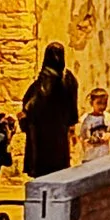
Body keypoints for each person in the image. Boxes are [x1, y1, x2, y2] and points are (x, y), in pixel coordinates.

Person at [20, 44, 79, 178]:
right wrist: (71, 123)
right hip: (59, 128)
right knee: (58, 162)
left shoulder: (46, 78)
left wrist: (26, 113)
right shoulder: (69, 78)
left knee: (43, 164)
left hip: (43, 129)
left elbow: (36, 101)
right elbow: (72, 104)